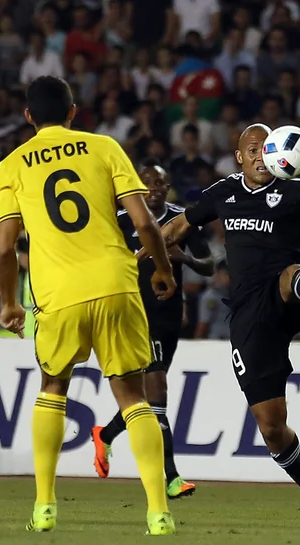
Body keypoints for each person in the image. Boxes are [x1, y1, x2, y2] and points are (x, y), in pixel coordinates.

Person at [141, 123, 300, 525]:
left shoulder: (296, 189)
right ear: (240, 156)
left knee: (289, 277)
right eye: (254, 150)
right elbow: (176, 228)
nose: (263, 155)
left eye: (269, 148)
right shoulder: (224, 193)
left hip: (284, 296)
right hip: (247, 318)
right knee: (272, 428)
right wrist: (139, 254)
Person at [0, 76, 176, 536]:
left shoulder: (12, 165)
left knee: (53, 384)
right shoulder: (104, 147)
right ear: (74, 112)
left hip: (57, 293)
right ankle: (158, 513)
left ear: (28, 116)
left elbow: (2, 249)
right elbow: (145, 222)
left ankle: (45, 506)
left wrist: (10, 303)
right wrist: (163, 270)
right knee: (133, 396)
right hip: (115, 283)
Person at [92, 159, 214, 499]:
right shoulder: (117, 219)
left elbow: (209, 265)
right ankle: (172, 478)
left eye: (162, 184)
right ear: (137, 185)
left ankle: (106, 434)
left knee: (146, 397)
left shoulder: (183, 220)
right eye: (149, 183)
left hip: (168, 316)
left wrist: (185, 259)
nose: (156, 190)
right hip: (131, 314)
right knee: (157, 390)